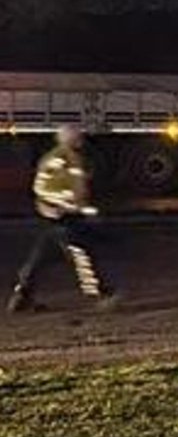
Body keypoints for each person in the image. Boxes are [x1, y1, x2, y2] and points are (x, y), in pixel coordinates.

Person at [8, 125, 115, 313]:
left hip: (48, 214)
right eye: (79, 138)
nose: (82, 141)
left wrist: (49, 205)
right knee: (80, 254)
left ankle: (21, 296)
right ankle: (100, 294)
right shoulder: (72, 160)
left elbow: (39, 188)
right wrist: (84, 210)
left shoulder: (48, 158)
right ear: (72, 141)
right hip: (65, 216)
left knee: (39, 258)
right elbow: (79, 191)